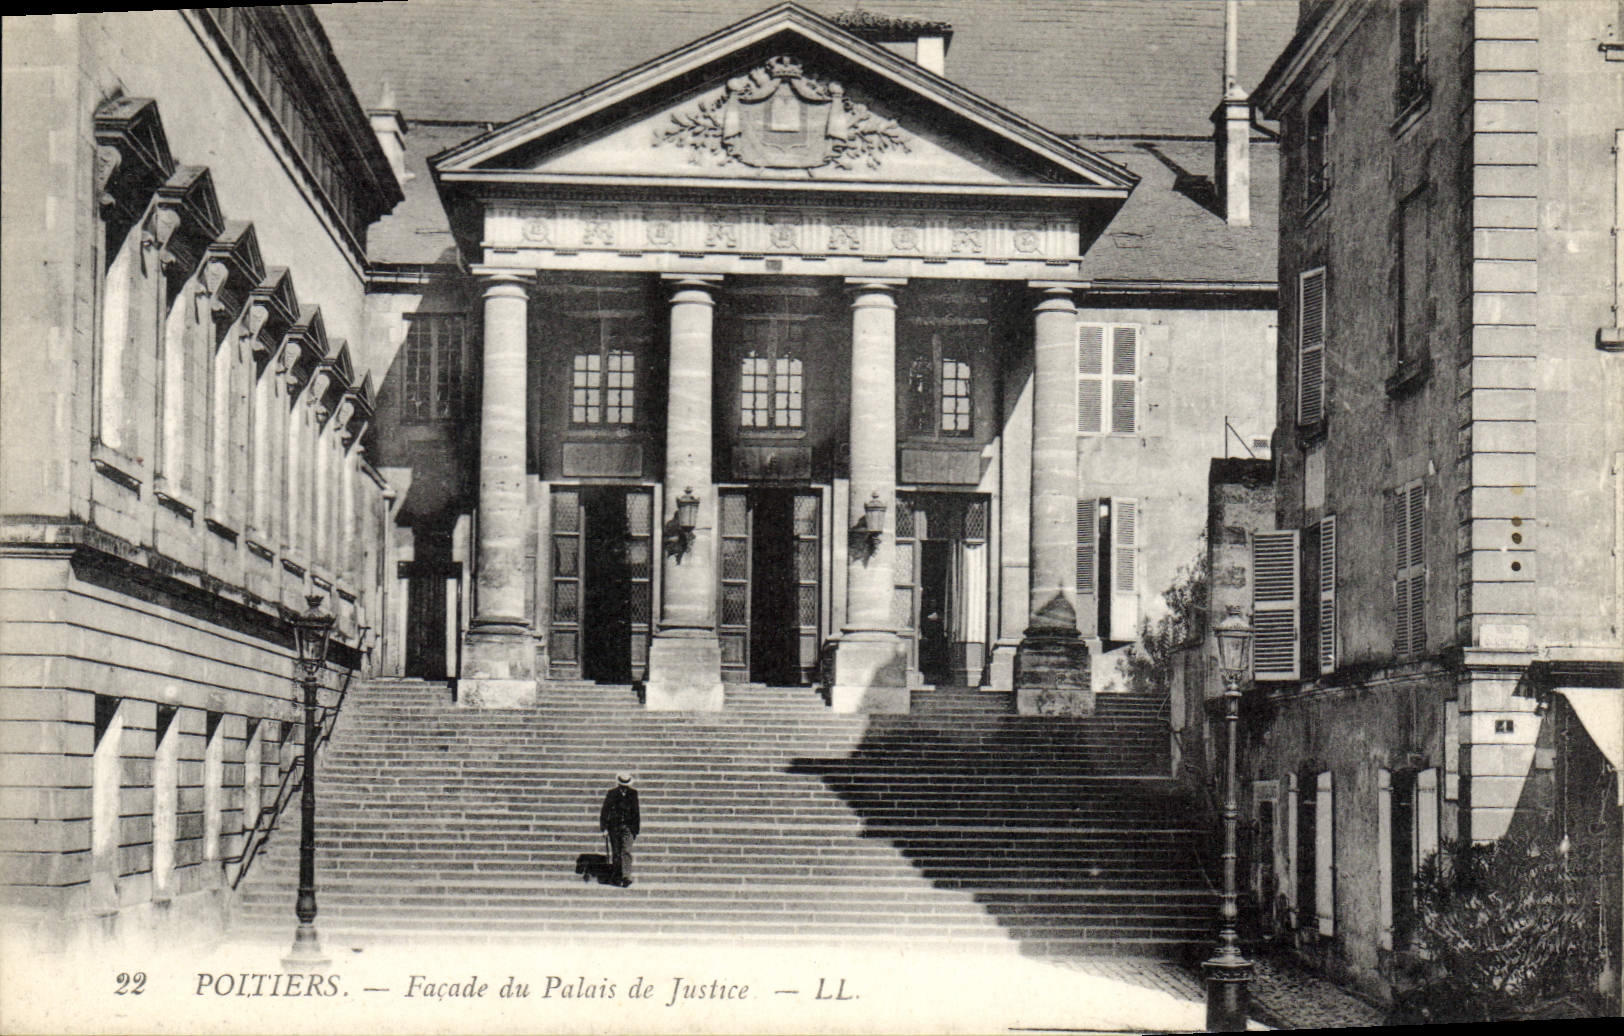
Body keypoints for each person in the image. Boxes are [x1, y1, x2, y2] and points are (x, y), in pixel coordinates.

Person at [599, 773, 640, 888]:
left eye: (626, 785)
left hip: (628, 827)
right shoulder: (612, 793)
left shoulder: (633, 793)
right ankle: (617, 876)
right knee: (616, 853)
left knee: (626, 851)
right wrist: (604, 828)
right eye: (622, 785)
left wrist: (635, 830)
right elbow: (605, 811)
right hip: (614, 827)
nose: (624, 787)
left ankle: (626, 877)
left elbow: (636, 812)